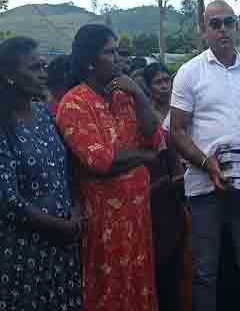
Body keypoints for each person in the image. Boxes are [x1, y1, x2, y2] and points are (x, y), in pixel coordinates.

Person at [169, 0, 240, 311]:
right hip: (205, 186)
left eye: (229, 22)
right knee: (205, 273)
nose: (223, 29)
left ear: (237, 27)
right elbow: (176, 130)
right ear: (204, 30)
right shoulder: (190, 72)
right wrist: (209, 165)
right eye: (215, 24)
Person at [56, 24, 162, 311]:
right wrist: (143, 157)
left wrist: (139, 94)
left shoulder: (124, 95)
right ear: (90, 60)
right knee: (109, 291)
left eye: (118, 52)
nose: (118, 59)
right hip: (104, 221)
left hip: (137, 217)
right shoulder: (74, 104)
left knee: (138, 285)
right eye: (110, 52)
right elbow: (101, 161)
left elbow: (153, 137)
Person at [0, 36, 83, 311]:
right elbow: (7, 199)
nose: (43, 74)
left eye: (44, 66)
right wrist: (59, 226)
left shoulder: (45, 115)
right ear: (9, 75)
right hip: (24, 251)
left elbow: (67, 170)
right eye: (34, 68)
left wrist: (76, 212)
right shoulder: (3, 125)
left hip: (62, 248)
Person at [143, 62, 193, 311]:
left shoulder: (181, 110)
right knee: (165, 256)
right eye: (158, 82)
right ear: (148, 87)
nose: (164, 86)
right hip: (162, 192)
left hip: (190, 181)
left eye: (167, 80)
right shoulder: (146, 117)